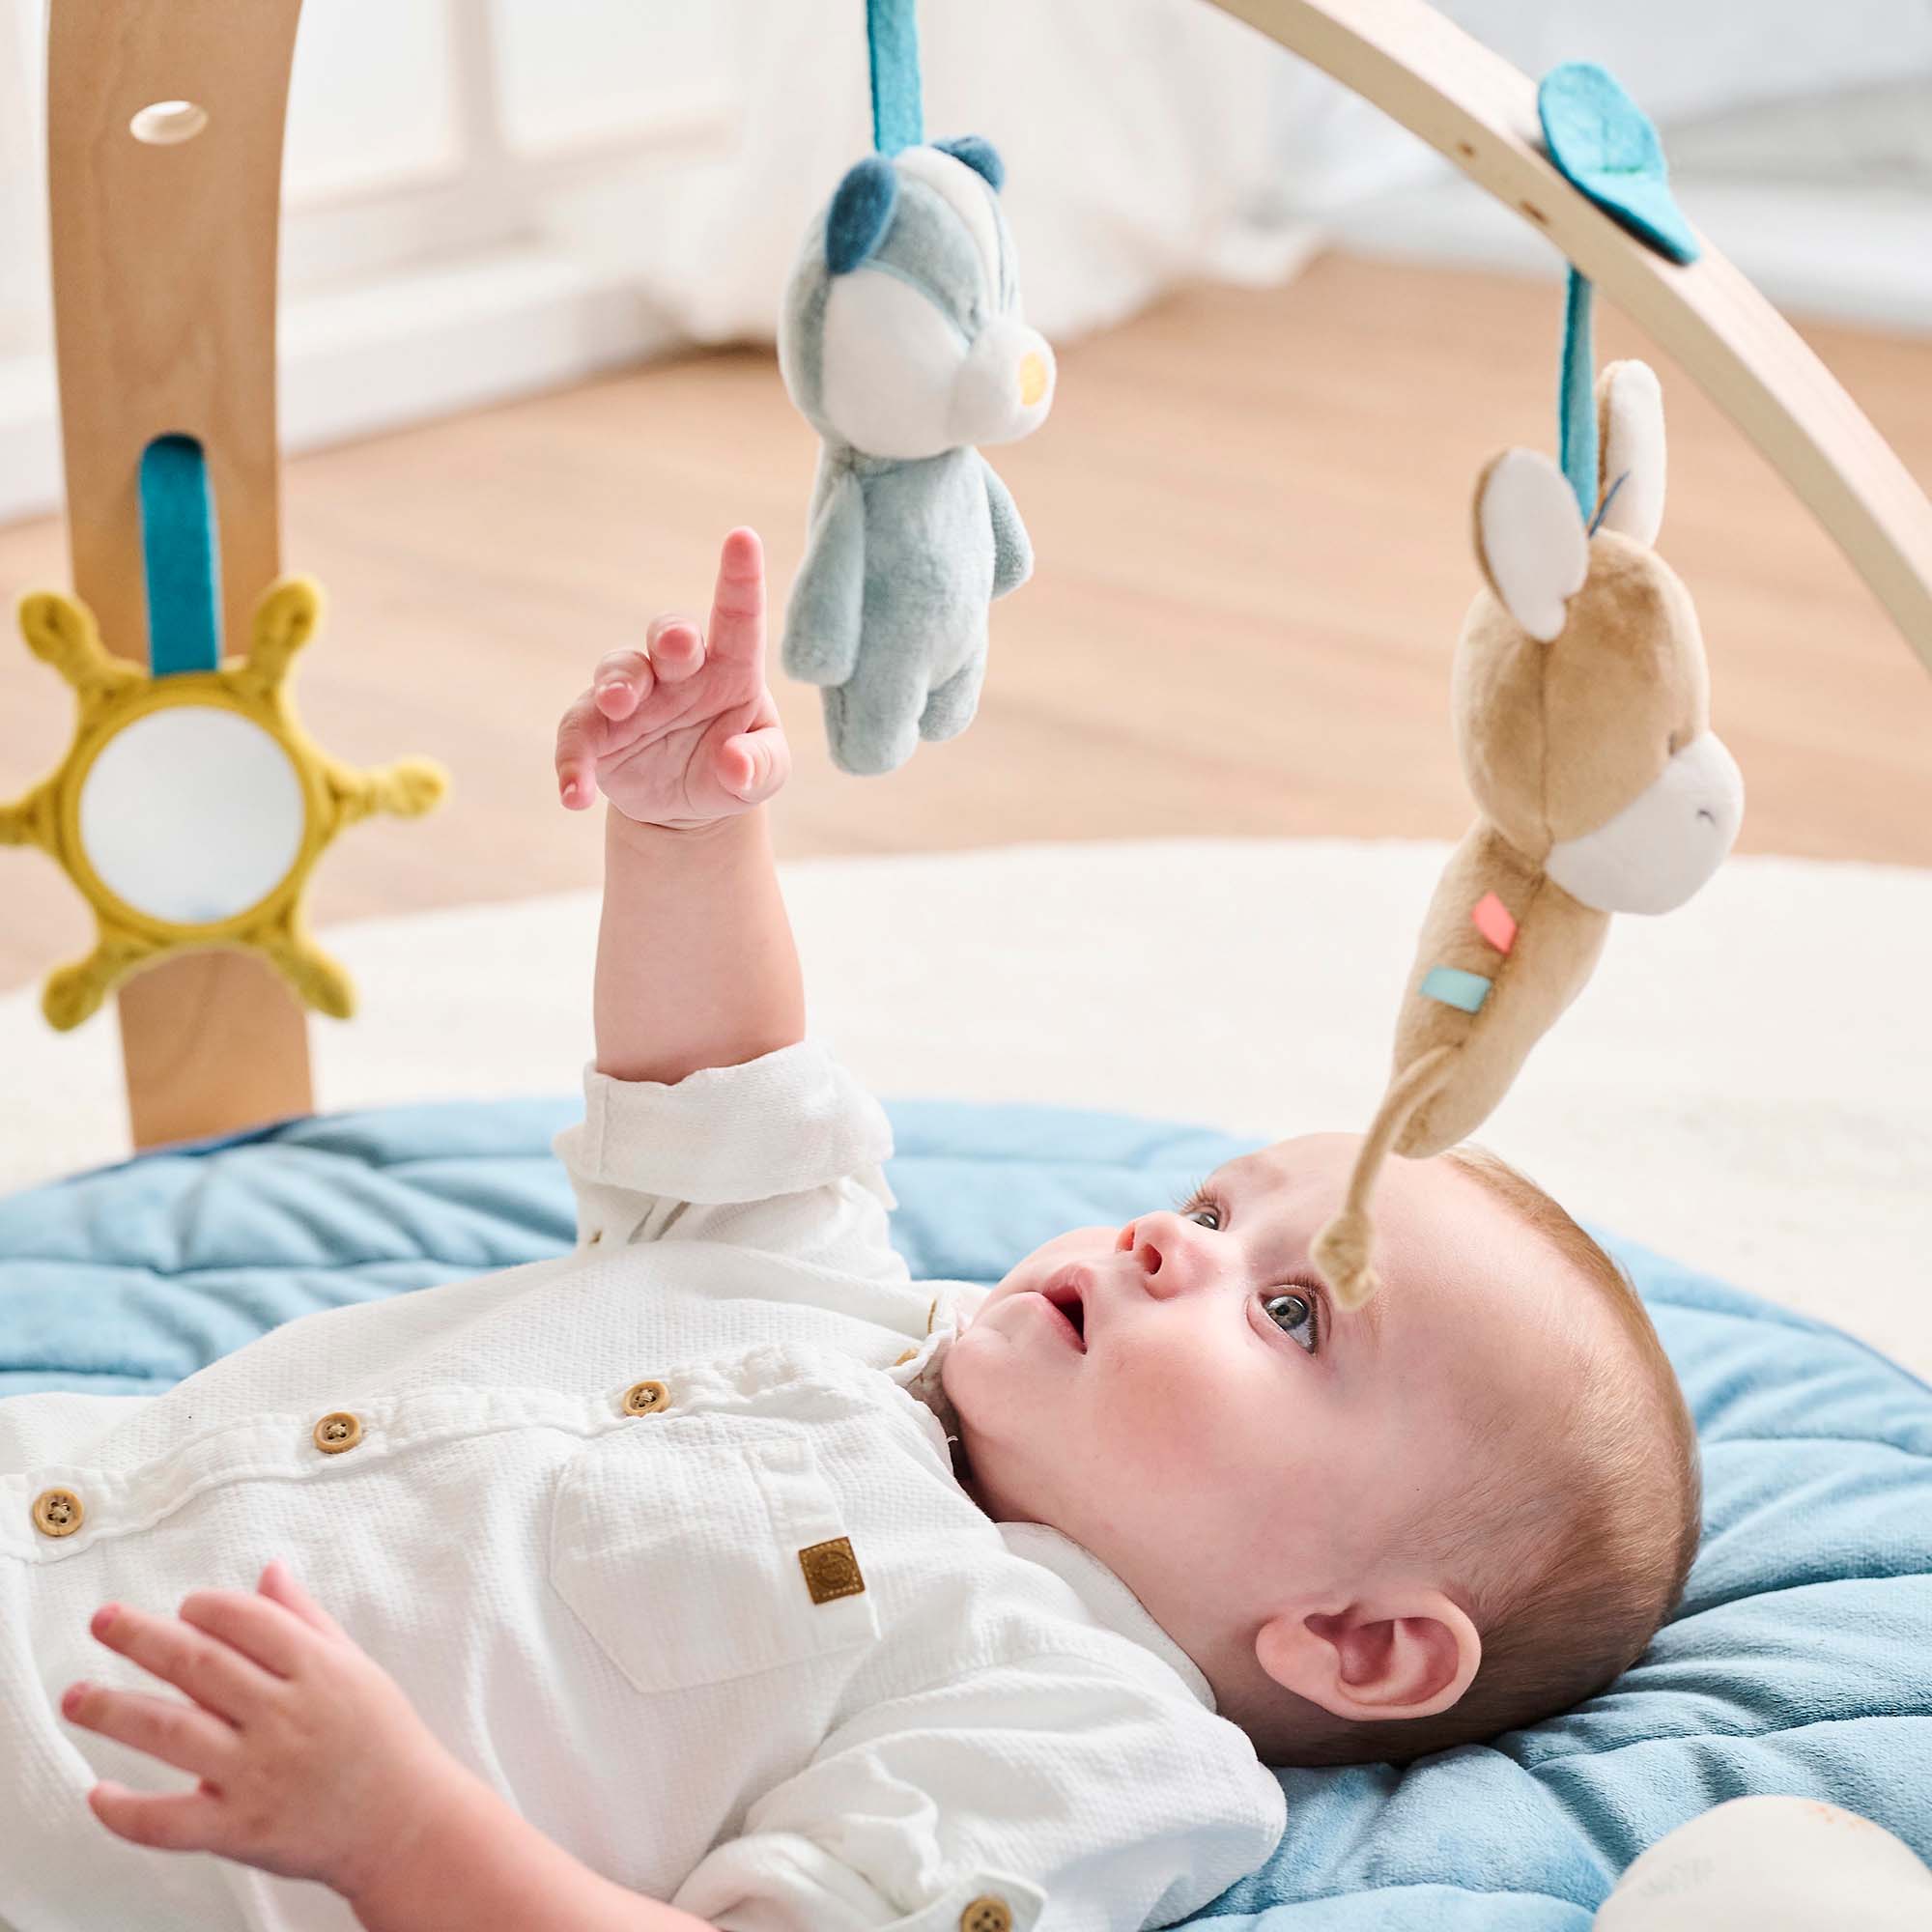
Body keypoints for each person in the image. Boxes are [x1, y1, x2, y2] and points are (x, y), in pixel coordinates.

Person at [2, 529, 1698, 1932]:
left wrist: (396, 1830)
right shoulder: (845, 1298)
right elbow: (721, 1078)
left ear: (1355, 1641)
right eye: (1207, 1203)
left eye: (1296, 1317)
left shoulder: (1086, 1732)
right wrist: (691, 831)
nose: (1172, 1244)